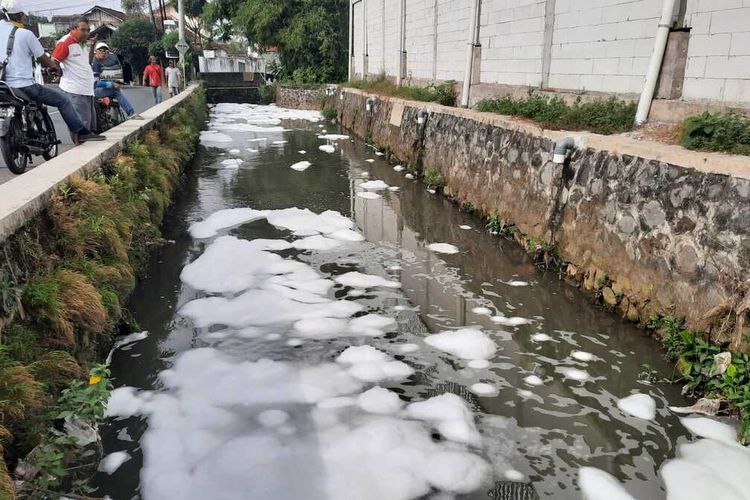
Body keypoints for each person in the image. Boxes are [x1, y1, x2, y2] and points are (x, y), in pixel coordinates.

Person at [0, 0, 102, 143]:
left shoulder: (83, 44)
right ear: (18, 16)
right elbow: (45, 59)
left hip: (2, 86)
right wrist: (53, 67)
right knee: (62, 100)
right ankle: (81, 132)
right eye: (22, 16)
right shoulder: (25, 34)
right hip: (23, 85)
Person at [51, 17, 97, 133]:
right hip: (74, 89)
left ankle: (84, 146)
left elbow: (88, 62)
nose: (86, 33)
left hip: (86, 88)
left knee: (89, 123)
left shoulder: (82, 43)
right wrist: (58, 71)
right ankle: (80, 147)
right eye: (83, 30)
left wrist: (92, 46)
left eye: (88, 30)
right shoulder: (65, 43)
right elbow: (54, 61)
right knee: (81, 123)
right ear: (73, 29)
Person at [92, 42, 142, 120]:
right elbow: (94, 83)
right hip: (91, 91)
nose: (104, 52)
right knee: (116, 91)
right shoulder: (95, 64)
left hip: (89, 90)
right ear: (96, 51)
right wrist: (111, 84)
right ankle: (131, 113)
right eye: (101, 50)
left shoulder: (98, 62)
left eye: (106, 51)